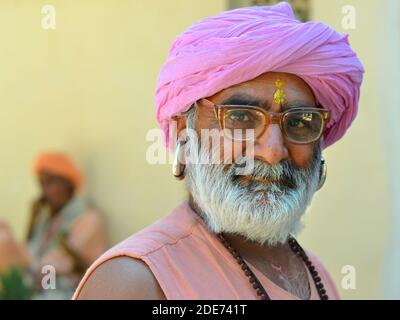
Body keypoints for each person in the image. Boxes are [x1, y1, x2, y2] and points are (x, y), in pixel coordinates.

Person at [74, 2, 364, 300]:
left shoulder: (316, 274)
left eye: (301, 122)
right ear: (184, 137)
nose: (273, 152)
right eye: (240, 118)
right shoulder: (134, 283)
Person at [0, 152, 107, 299]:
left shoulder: (88, 218)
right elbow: (33, 251)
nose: (44, 191)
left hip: (66, 288)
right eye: (41, 184)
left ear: (67, 185)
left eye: (49, 183)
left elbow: (59, 264)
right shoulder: (48, 216)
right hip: (39, 279)